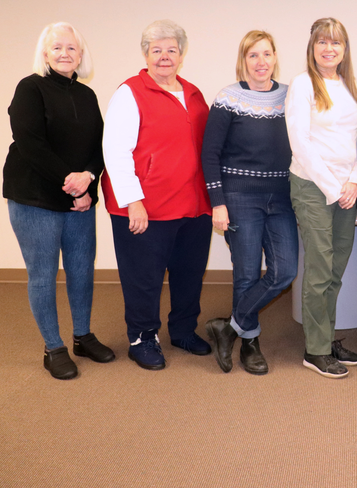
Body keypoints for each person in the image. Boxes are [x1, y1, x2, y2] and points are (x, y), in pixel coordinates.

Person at [4, 22, 114, 380]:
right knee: (44, 273)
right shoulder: (30, 88)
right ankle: (53, 348)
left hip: (78, 199)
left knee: (82, 269)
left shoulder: (87, 95)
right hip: (35, 197)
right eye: (57, 48)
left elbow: (101, 146)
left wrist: (89, 181)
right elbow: (31, 143)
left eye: (71, 48)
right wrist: (75, 185)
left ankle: (82, 335)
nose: (65, 54)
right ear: (45, 53)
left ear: (81, 55)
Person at [102, 20, 213, 371]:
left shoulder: (194, 94)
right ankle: (142, 337)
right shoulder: (130, 93)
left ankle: (182, 330)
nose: (164, 57)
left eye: (171, 50)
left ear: (181, 54)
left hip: (193, 205)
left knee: (189, 274)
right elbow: (115, 150)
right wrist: (133, 200)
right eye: (157, 50)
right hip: (144, 207)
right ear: (146, 54)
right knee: (144, 278)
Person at [202, 30, 298, 375]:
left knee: (284, 271)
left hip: (282, 197)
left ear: (275, 58)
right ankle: (251, 344)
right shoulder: (229, 98)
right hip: (239, 196)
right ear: (243, 61)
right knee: (245, 273)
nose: (261, 62)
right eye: (253, 56)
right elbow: (209, 153)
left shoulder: (290, 96)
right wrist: (218, 202)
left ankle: (228, 329)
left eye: (266, 54)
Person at [286, 18, 357, 379]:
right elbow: (300, 144)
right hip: (314, 187)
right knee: (319, 269)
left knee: (335, 269)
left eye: (336, 43)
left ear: (344, 49)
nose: (329, 49)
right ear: (312, 47)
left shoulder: (348, 86)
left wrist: (354, 182)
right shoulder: (303, 85)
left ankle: (327, 336)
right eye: (322, 43)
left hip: (346, 191)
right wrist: (335, 188)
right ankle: (315, 350)